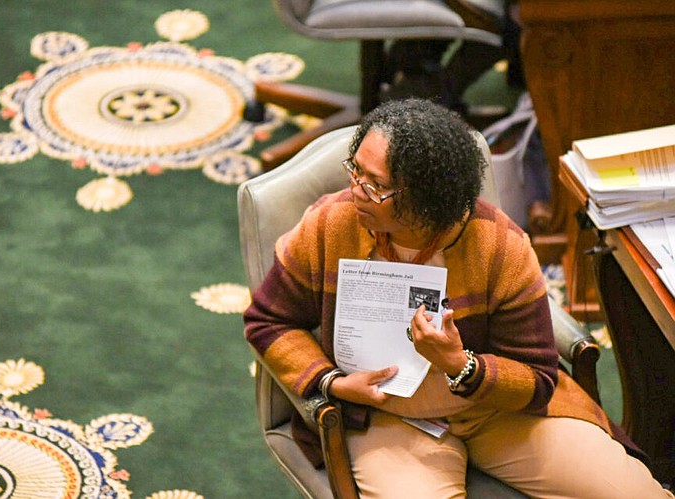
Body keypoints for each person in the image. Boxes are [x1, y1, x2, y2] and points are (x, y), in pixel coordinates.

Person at [244, 98, 672, 498]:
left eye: (375, 185)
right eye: (355, 171)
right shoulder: (330, 224)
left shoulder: (499, 244)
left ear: (428, 199)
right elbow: (269, 320)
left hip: (493, 410)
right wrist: (332, 382)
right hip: (389, 418)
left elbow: (538, 379)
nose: (356, 190)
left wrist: (459, 364)